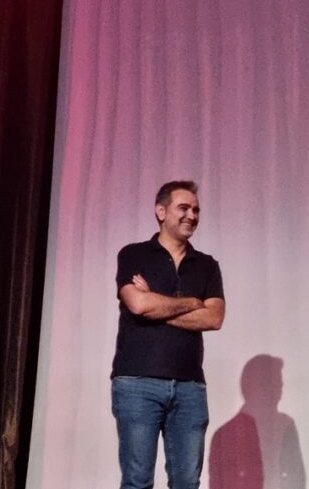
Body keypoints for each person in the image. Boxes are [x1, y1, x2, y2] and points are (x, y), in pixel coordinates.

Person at [111, 180, 226, 489]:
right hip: (137, 383)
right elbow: (137, 304)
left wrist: (157, 304)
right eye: (183, 208)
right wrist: (190, 303)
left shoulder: (206, 265)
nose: (192, 215)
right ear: (161, 211)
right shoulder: (134, 255)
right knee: (137, 481)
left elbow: (214, 318)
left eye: (196, 209)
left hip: (190, 387)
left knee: (187, 482)